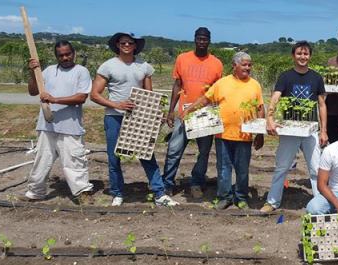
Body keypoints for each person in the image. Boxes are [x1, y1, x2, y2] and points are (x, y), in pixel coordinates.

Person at [90, 32, 178, 207]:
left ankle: (159, 193)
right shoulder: (108, 66)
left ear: (135, 46)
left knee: (146, 154)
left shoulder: (144, 66)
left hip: (138, 118)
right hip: (114, 117)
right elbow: (94, 95)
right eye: (123, 42)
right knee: (114, 157)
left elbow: (149, 95)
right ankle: (117, 193)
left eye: (130, 43)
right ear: (118, 45)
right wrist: (116, 104)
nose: (127, 45)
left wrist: (155, 113)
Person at [181, 52, 264, 210]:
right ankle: (223, 197)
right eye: (244, 64)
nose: (248, 67)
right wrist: (189, 110)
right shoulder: (222, 83)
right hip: (222, 134)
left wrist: (260, 133)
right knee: (224, 168)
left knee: (242, 169)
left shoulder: (255, 85)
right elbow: (206, 99)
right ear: (234, 66)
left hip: (244, 135)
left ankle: (241, 197)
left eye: (249, 65)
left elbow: (260, 109)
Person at [21, 40, 94, 203]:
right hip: (47, 124)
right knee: (41, 160)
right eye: (61, 55)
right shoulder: (47, 71)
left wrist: (54, 100)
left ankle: (82, 194)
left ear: (73, 53)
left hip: (70, 127)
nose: (65, 57)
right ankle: (35, 192)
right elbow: (33, 91)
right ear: (56, 56)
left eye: (68, 54)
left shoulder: (81, 71)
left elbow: (81, 97)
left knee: (74, 161)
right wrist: (33, 72)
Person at [261, 41, 328, 213]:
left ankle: (320, 203)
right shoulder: (285, 76)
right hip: (289, 129)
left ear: (310, 56)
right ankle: (272, 202)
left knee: (315, 168)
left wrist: (324, 131)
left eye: (305, 54)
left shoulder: (316, 77)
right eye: (299, 54)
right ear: (293, 55)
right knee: (282, 166)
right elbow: (275, 97)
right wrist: (270, 118)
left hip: (311, 130)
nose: (302, 57)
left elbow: (321, 105)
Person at [162, 27, 223, 198]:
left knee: (203, 152)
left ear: (209, 41)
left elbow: (217, 91)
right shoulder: (182, 59)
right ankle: (167, 184)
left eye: (205, 39)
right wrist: (171, 111)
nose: (202, 42)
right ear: (195, 39)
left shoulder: (216, 63)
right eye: (199, 38)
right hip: (183, 114)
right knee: (174, 149)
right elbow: (177, 85)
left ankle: (196, 183)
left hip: (205, 116)